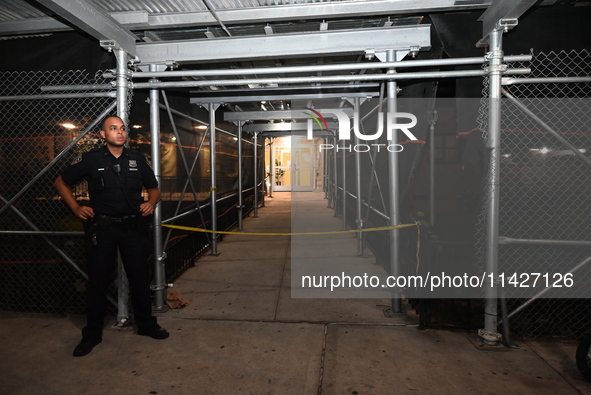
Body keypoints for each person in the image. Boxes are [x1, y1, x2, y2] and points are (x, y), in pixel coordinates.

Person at [55, 115, 169, 357]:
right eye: (113, 128)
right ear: (102, 134)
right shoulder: (90, 159)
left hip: (133, 228)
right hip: (103, 229)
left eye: (123, 128)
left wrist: (151, 202)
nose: (120, 132)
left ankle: (146, 325)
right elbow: (61, 183)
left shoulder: (137, 159)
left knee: (140, 277)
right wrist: (76, 208)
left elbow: (154, 188)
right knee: (98, 281)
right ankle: (92, 334)